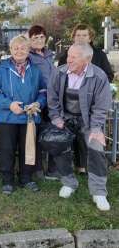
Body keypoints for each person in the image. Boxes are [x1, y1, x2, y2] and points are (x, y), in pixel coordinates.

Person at [48, 42, 112, 211]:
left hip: (89, 121)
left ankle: (99, 191)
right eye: (69, 56)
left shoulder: (98, 77)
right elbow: (52, 98)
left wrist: (96, 129)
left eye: (74, 57)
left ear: (87, 59)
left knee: (97, 148)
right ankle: (69, 183)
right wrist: (57, 120)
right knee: (58, 145)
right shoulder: (60, 73)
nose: (69, 60)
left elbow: (101, 105)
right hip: (65, 118)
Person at [0, 34, 47, 195]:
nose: (19, 51)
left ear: (29, 50)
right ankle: (7, 180)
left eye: (23, 48)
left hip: (29, 117)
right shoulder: (1, 69)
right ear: (10, 50)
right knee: (7, 149)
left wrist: (37, 103)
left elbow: (43, 92)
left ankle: (25, 178)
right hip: (7, 117)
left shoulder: (35, 70)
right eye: (16, 48)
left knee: (27, 148)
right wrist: (10, 104)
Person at [58, 24, 114, 176]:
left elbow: (108, 75)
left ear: (90, 37)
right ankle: (79, 166)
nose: (81, 38)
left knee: (91, 134)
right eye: (78, 35)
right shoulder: (66, 55)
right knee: (73, 135)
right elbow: (60, 77)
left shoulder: (99, 54)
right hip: (72, 101)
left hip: (92, 101)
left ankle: (94, 168)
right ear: (73, 37)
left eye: (84, 35)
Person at [27, 25, 60, 181]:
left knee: (55, 133)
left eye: (41, 37)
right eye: (35, 38)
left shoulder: (49, 54)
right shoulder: (28, 55)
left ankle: (53, 170)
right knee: (36, 136)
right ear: (30, 40)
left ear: (45, 39)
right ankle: (37, 169)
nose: (39, 40)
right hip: (37, 100)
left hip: (53, 100)